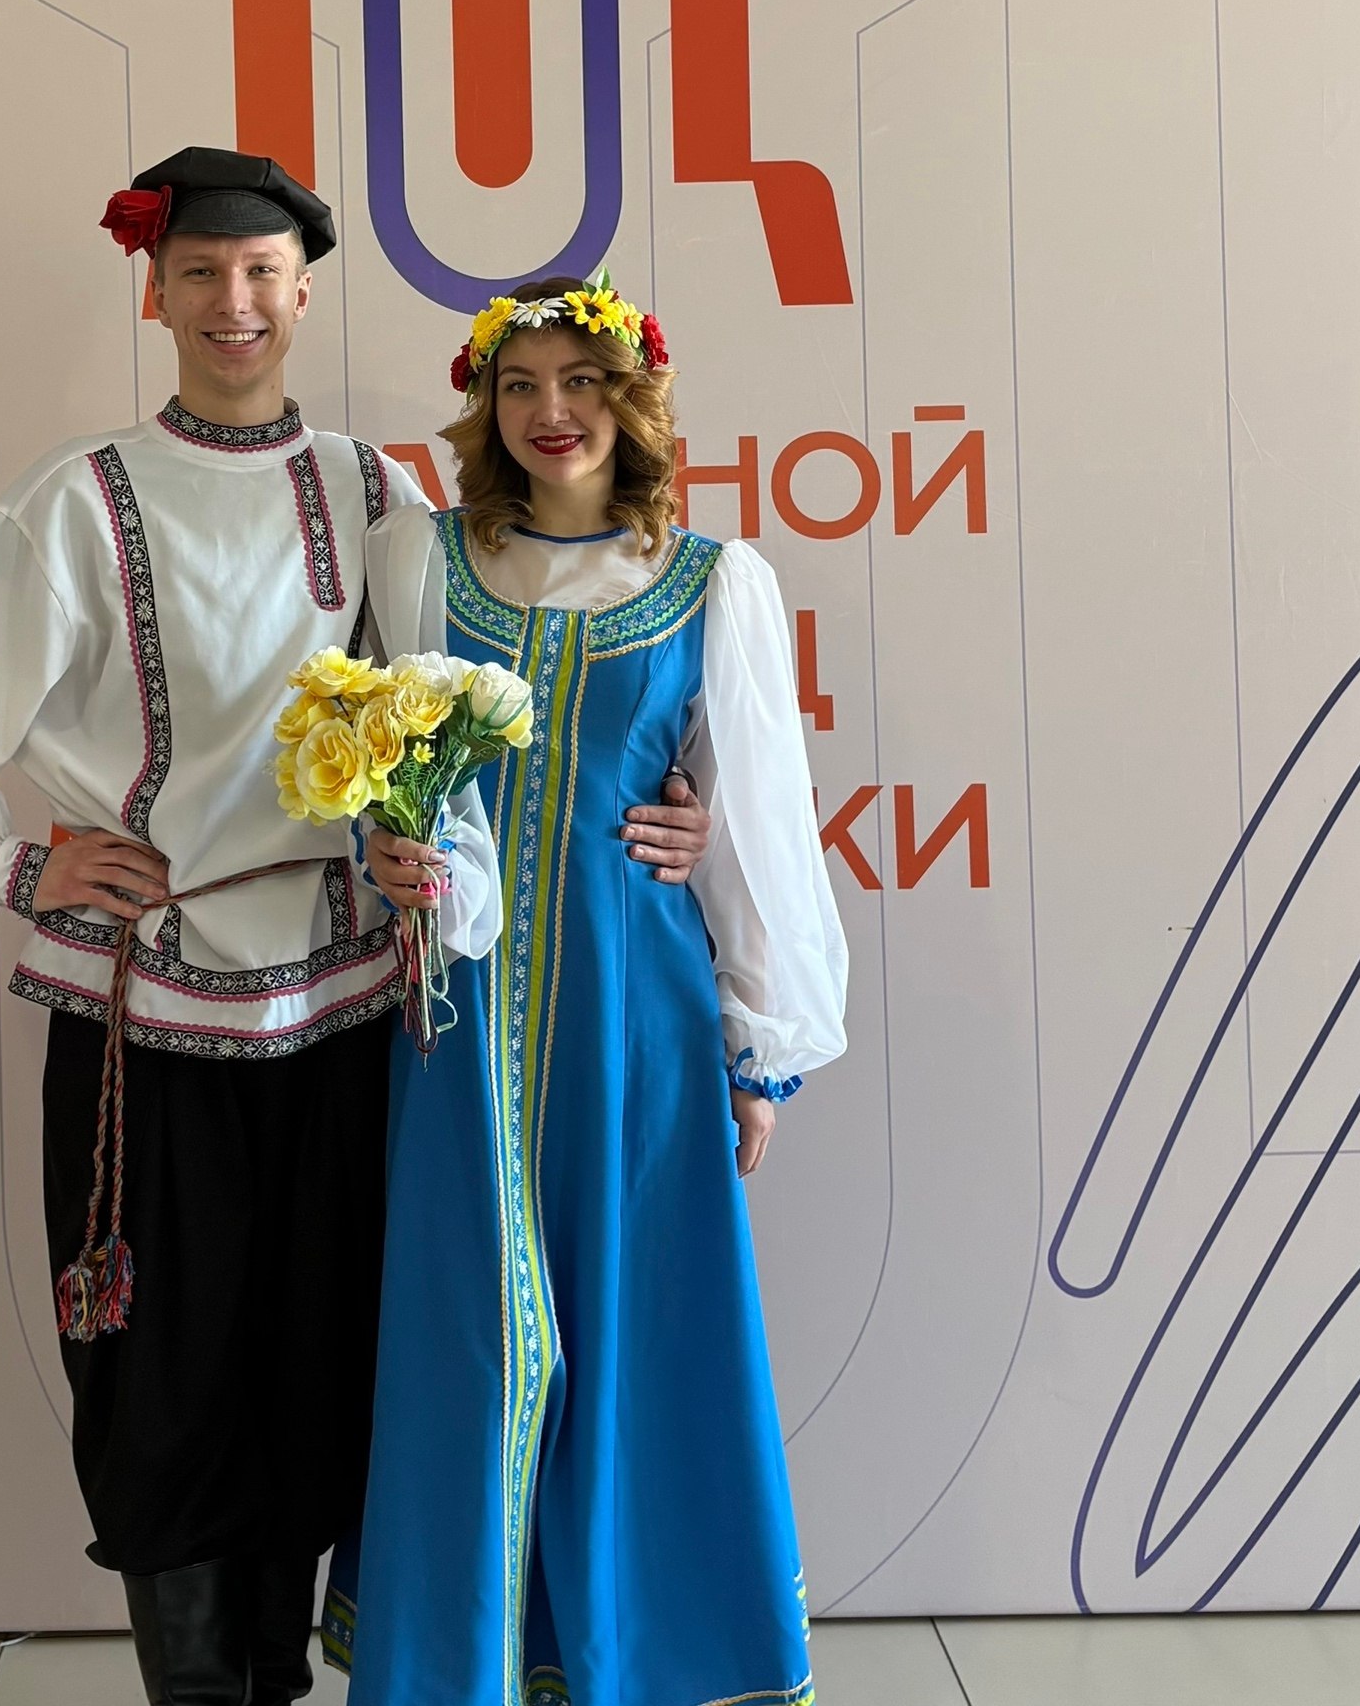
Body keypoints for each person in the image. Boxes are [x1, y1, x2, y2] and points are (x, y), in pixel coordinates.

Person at [0, 157, 716, 1706]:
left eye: (260, 275)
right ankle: (203, 1694)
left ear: (302, 295)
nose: (231, 304)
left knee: (324, 1365)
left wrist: (673, 800)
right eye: (199, 274)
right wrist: (17, 867)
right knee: (160, 1380)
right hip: (148, 1004)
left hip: (353, 1004)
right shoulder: (80, 499)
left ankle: (277, 1681)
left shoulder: (378, 496)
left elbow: (507, 682)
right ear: (156, 295)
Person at [331, 275, 850, 1706]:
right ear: (486, 406)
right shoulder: (419, 561)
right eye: (520, 386)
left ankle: (633, 1660)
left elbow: (755, 825)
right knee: (469, 1330)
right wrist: (381, 847)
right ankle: (457, 1667)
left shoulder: (714, 584)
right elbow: (361, 768)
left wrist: (758, 1052)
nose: (549, 412)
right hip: (457, 1020)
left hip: (642, 1022)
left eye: (580, 382)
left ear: (632, 403)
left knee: (636, 1327)